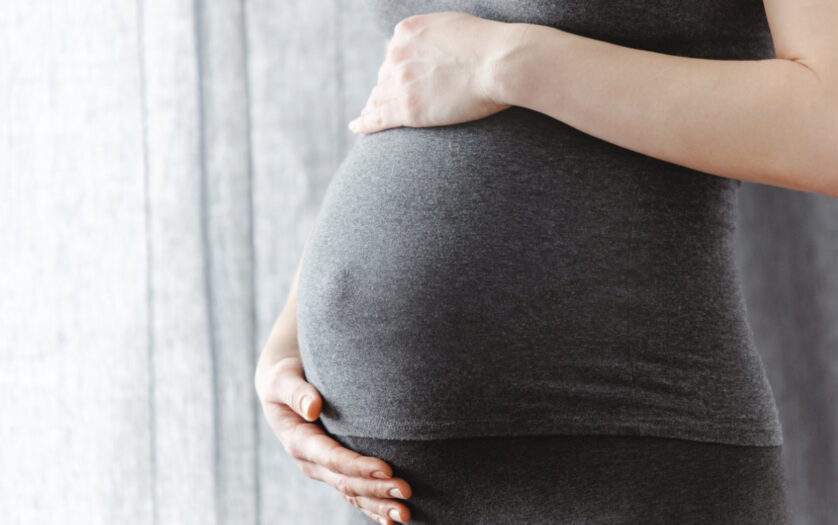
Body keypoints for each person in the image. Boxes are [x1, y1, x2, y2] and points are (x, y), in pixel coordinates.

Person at [255, 1, 837, 523]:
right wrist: (293, 335)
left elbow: (827, 123)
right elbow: (419, 84)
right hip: (394, 489)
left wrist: (510, 63)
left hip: (622, 455)